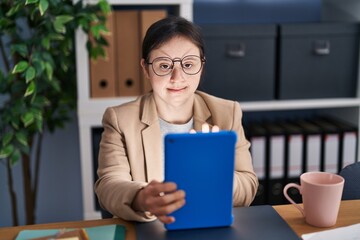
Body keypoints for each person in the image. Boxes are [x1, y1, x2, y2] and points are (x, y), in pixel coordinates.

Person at [94, 16, 258, 224]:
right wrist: (142, 198)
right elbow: (108, 185)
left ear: (202, 65)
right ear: (145, 68)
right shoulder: (120, 119)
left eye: (189, 64)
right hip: (151, 229)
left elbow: (248, 186)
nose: (177, 77)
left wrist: (220, 176)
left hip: (208, 226)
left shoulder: (227, 113)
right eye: (164, 66)